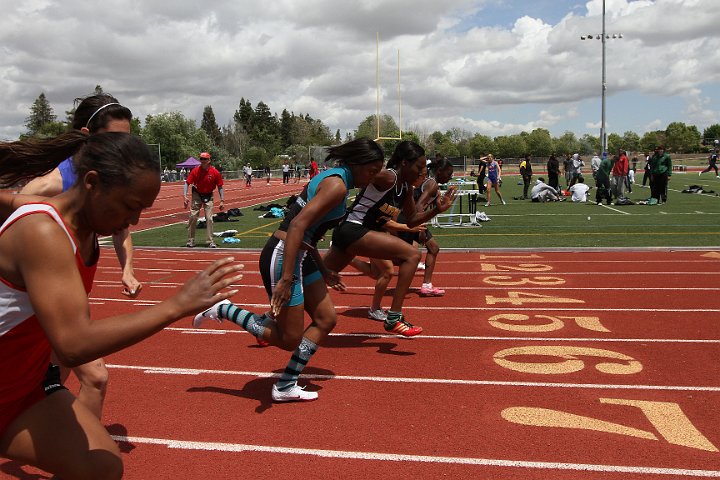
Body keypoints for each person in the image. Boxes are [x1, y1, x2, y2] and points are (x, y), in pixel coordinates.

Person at [0, 131, 243, 480]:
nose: (134, 221)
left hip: (21, 390)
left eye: (142, 209)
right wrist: (176, 305)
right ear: (92, 183)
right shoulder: (43, 231)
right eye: (131, 206)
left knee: (100, 467)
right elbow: (72, 345)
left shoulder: (81, 229)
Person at [193, 138, 385, 402]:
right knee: (289, 339)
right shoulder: (337, 186)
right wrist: (286, 278)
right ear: (356, 163)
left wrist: (322, 268)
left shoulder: (335, 179)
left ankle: (285, 384)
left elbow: (309, 233)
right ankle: (224, 309)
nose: (374, 176)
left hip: (301, 254)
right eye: (372, 170)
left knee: (326, 319)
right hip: (284, 255)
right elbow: (296, 227)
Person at [19, 93, 137, 421]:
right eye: (113, 139)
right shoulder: (49, 185)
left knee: (54, 377)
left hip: (69, 299)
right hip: (36, 306)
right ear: (87, 137)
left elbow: (121, 230)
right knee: (95, 377)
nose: (122, 147)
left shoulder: (109, 179)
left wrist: (127, 268)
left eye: (126, 139)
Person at [322, 141, 457, 337]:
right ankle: (394, 317)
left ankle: (269, 318)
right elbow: (361, 173)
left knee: (314, 280)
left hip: (356, 234)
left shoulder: (406, 189)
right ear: (404, 163)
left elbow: (412, 221)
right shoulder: (389, 177)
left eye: (424, 169)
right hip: (353, 229)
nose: (422, 173)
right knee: (411, 255)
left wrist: (437, 209)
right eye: (418, 168)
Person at [398, 157, 455, 297]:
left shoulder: (431, 183)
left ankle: (426, 285)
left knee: (433, 248)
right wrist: (421, 226)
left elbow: (434, 205)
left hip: (411, 218)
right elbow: (418, 207)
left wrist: (443, 199)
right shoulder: (432, 184)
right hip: (408, 219)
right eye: (448, 174)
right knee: (399, 259)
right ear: (440, 171)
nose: (450, 177)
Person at [183, 152, 225, 248]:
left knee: (209, 218)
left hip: (209, 195)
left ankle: (210, 241)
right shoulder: (195, 171)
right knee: (193, 217)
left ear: (209, 160)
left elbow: (220, 186)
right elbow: (187, 183)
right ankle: (191, 240)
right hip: (197, 194)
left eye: (205, 159)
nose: (202, 161)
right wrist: (184, 196)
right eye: (201, 159)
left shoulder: (215, 172)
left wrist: (222, 200)